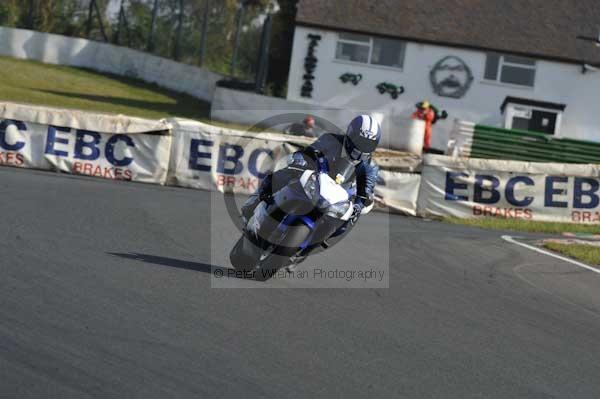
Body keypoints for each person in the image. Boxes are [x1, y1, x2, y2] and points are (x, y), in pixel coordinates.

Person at [241, 115, 381, 261]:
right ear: (350, 134)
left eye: (368, 144)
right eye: (360, 141)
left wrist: (359, 205)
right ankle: (254, 203)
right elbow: (309, 152)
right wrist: (300, 161)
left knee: (350, 218)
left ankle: (313, 246)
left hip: (339, 197)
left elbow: (367, 188)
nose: (362, 146)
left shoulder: (371, 166)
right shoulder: (331, 140)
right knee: (283, 174)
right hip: (315, 180)